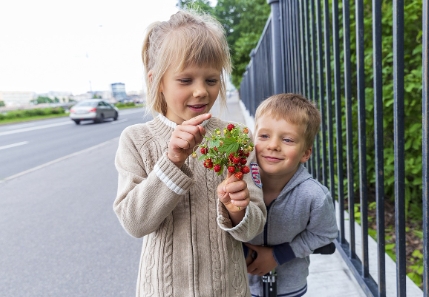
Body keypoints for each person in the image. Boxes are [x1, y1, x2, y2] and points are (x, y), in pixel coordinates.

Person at [113, 9, 267, 297]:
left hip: (228, 290)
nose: (201, 92)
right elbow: (135, 222)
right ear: (157, 81)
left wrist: (239, 211)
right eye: (185, 80)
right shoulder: (137, 140)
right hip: (163, 289)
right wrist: (171, 161)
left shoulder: (235, 137)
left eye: (211, 80)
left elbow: (253, 227)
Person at [244, 93, 339, 297]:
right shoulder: (239, 181)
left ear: (305, 153)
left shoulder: (314, 195)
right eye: (264, 136)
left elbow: (325, 234)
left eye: (287, 139)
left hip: (289, 287)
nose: (273, 145)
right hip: (239, 282)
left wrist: (278, 255)